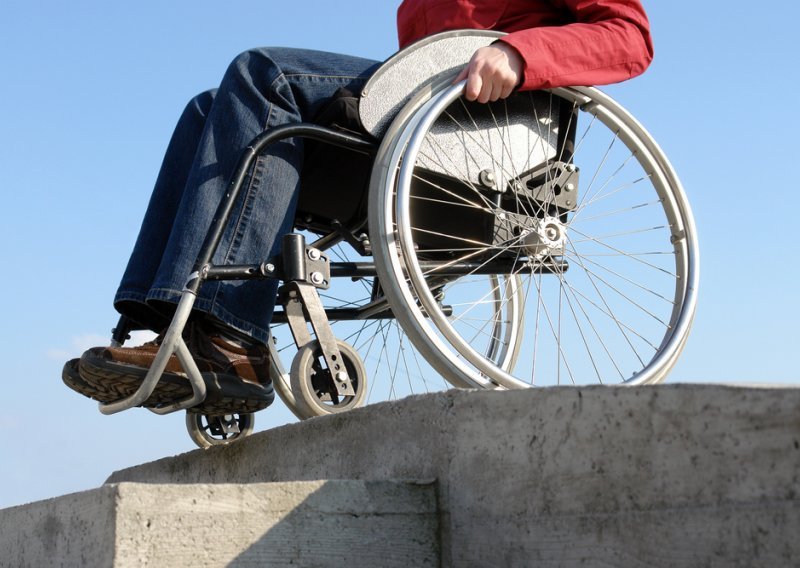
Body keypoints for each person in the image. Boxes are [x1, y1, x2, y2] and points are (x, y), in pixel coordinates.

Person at [64, 0, 654, 411]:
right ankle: (172, 326)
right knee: (209, 109)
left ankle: (231, 341)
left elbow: (629, 36)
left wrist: (522, 53)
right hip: (425, 130)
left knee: (262, 74)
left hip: (491, 138)